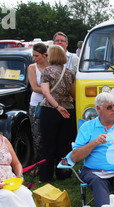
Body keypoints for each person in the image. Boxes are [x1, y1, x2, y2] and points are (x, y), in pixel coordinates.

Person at [39, 45, 76, 183]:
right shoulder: (70, 72)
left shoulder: (47, 71)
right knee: (64, 144)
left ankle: (46, 176)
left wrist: (57, 106)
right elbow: (73, 94)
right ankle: (63, 172)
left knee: (48, 145)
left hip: (50, 110)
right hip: (68, 110)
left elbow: (45, 92)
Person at [28, 43, 49, 161]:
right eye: (33, 56)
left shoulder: (51, 66)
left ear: (44, 55)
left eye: (37, 56)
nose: (35, 58)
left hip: (50, 103)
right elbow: (34, 87)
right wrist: (49, 92)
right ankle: (38, 161)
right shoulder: (32, 67)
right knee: (37, 135)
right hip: (36, 104)